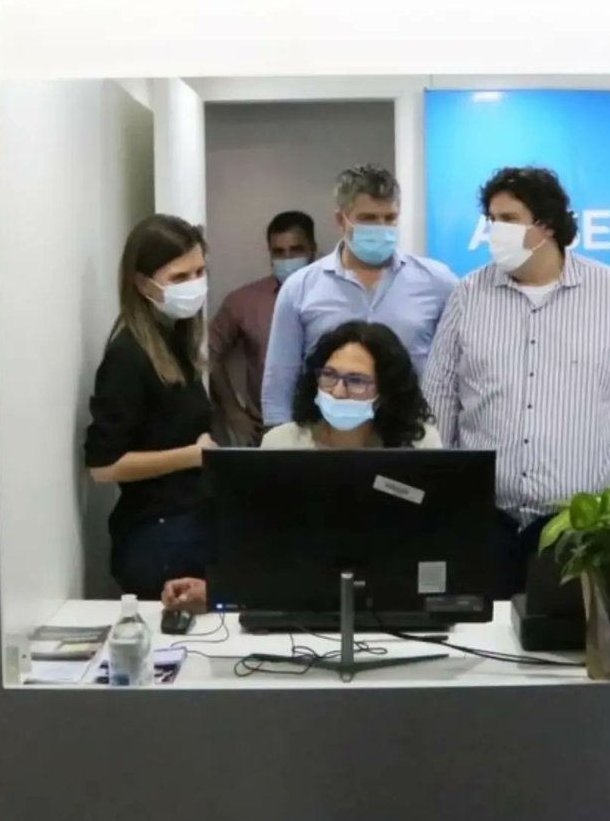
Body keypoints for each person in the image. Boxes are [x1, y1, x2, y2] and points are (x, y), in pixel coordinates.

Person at [423, 165, 610, 600]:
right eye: (491, 220)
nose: (494, 231)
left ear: (545, 226)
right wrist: (435, 487)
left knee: (573, 635)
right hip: (487, 520)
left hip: (582, 525)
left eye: (508, 220)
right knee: (482, 634)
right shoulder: (468, 295)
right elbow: (439, 396)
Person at [162, 320, 441, 612]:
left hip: (397, 602)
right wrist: (220, 589)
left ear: (385, 393)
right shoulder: (282, 443)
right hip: (294, 605)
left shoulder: (419, 444)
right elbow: (255, 548)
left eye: (356, 381)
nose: (338, 391)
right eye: (329, 376)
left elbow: (434, 539)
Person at [260, 164, 456, 426]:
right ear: (341, 220)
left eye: (389, 218)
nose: (381, 228)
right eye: (368, 219)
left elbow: (456, 374)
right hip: (325, 437)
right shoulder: (300, 288)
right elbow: (279, 382)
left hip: (410, 435)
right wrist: (280, 442)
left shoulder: (438, 282)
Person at [84, 214, 216, 600]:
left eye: (199, 272)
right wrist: (193, 456)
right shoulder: (129, 355)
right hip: (158, 536)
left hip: (189, 521)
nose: (194, 284)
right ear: (144, 284)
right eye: (179, 277)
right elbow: (104, 466)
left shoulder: (173, 341)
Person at [208, 210, 317, 445]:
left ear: (312, 249)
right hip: (266, 430)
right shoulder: (245, 302)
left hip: (325, 429)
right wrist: (233, 411)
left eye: (296, 250)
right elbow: (208, 353)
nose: (287, 258)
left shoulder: (336, 299)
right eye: (279, 252)